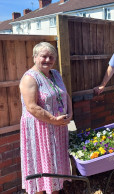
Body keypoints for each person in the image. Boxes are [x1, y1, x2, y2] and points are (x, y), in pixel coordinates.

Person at [19, 42, 72, 194]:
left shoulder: (55, 74)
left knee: (56, 162)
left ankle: (55, 189)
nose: (48, 60)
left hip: (58, 128)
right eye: (44, 56)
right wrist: (54, 120)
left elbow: (65, 94)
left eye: (51, 57)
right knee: (42, 162)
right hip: (40, 130)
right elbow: (32, 107)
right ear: (35, 57)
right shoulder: (30, 78)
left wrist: (70, 114)